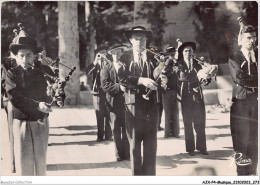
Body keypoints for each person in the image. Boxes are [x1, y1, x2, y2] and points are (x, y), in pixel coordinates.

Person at [5, 26, 64, 175]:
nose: (25, 59)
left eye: (29, 55)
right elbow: (15, 98)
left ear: (35, 56)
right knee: (24, 164)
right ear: (16, 57)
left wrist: (57, 97)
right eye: (21, 55)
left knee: (41, 163)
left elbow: (51, 92)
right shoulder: (12, 74)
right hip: (22, 123)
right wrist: (38, 105)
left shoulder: (43, 72)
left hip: (41, 122)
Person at [117, 26, 167, 175]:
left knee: (151, 144)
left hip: (152, 106)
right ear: (131, 40)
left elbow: (163, 79)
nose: (139, 41)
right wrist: (141, 80)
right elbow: (122, 78)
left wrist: (164, 81)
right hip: (132, 105)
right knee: (134, 145)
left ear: (147, 40)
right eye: (136, 38)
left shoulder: (155, 58)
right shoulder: (123, 57)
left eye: (142, 38)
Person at [229, 25, 258, 175]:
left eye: (254, 36)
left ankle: (252, 172)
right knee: (241, 137)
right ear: (241, 39)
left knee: (254, 137)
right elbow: (240, 78)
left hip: (256, 100)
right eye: (248, 37)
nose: (252, 40)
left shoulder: (258, 54)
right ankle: (242, 174)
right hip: (241, 101)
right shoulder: (235, 57)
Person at [174, 42, 210, 156]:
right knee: (187, 122)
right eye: (185, 51)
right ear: (182, 53)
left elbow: (206, 76)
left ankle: (202, 147)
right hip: (185, 96)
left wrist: (206, 78)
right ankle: (190, 149)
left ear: (193, 52)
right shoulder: (178, 65)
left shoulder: (198, 63)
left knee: (200, 121)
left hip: (198, 95)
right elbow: (178, 78)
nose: (188, 53)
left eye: (190, 50)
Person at [101, 43, 130, 161]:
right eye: (115, 52)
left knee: (127, 128)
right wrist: (119, 87)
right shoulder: (106, 68)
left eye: (120, 52)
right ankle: (118, 154)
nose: (117, 55)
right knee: (116, 129)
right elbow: (105, 85)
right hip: (113, 103)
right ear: (111, 54)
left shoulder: (126, 66)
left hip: (127, 102)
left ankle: (127, 153)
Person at [86, 45, 113, 142]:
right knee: (99, 114)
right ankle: (100, 136)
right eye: (100, 53)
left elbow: (114, 71)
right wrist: (95, 61)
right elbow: (88, 72)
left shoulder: (110, 64)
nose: (102, 55)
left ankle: (109, 135)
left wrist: (107, 60)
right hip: (97, 92)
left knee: (109, 113)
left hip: (108, 91)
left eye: (104, 53)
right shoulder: (95, 65)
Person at [1, 54, 17, 173]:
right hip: (11, 100)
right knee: (13, 133)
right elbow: (3, 83)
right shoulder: (7, 63)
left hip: (29, 102)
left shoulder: (32, 60)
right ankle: (13, 164)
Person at [161, 47, 180, 138]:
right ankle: (167, 132)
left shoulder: (175, 63)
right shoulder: (166, 63)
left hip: (174, 89)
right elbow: (163, 74)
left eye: (173, 54)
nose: (172, 56)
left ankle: (175, 132)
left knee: (175, 112)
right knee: (168, 112)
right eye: (171, 54)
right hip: (167, 90)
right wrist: (170, 65)